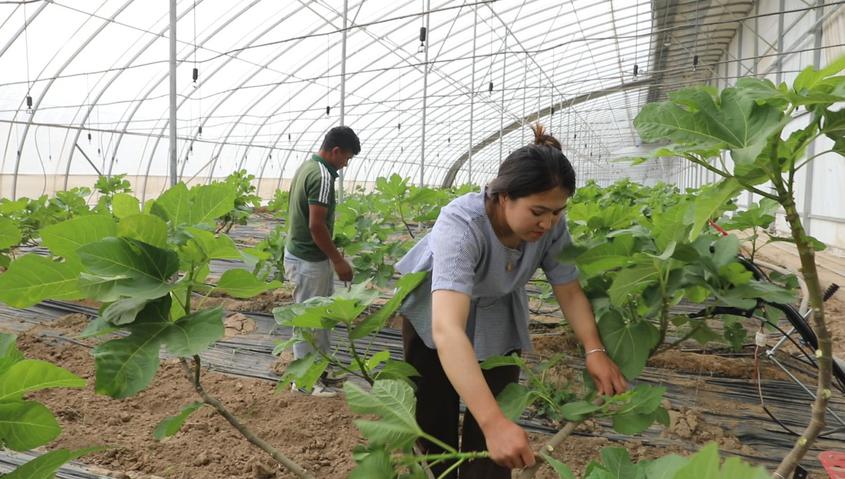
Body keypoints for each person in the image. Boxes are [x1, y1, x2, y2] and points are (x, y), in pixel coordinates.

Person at [395, 124, 627, 478]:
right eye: (538, 212)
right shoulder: (461, 223)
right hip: (436, 316)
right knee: (434, 420)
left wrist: (594, 350)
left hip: (497, 315)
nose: (548, 223)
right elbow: (447, 329)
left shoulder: (551, 225)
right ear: (504, 196)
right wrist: (493, 424)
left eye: (557, 211)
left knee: (494, 432)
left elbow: (568, 289)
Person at [284, 126, 360, 397]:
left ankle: (320, 373)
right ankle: (304, 384)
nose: (345, 164)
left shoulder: (307, 167)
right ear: (336, 151)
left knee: (319, 318)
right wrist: (339, 261)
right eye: (346, 158)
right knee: (308, 321)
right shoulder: (323, 176)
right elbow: (316, 226)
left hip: (302, 255)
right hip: (308, 260)